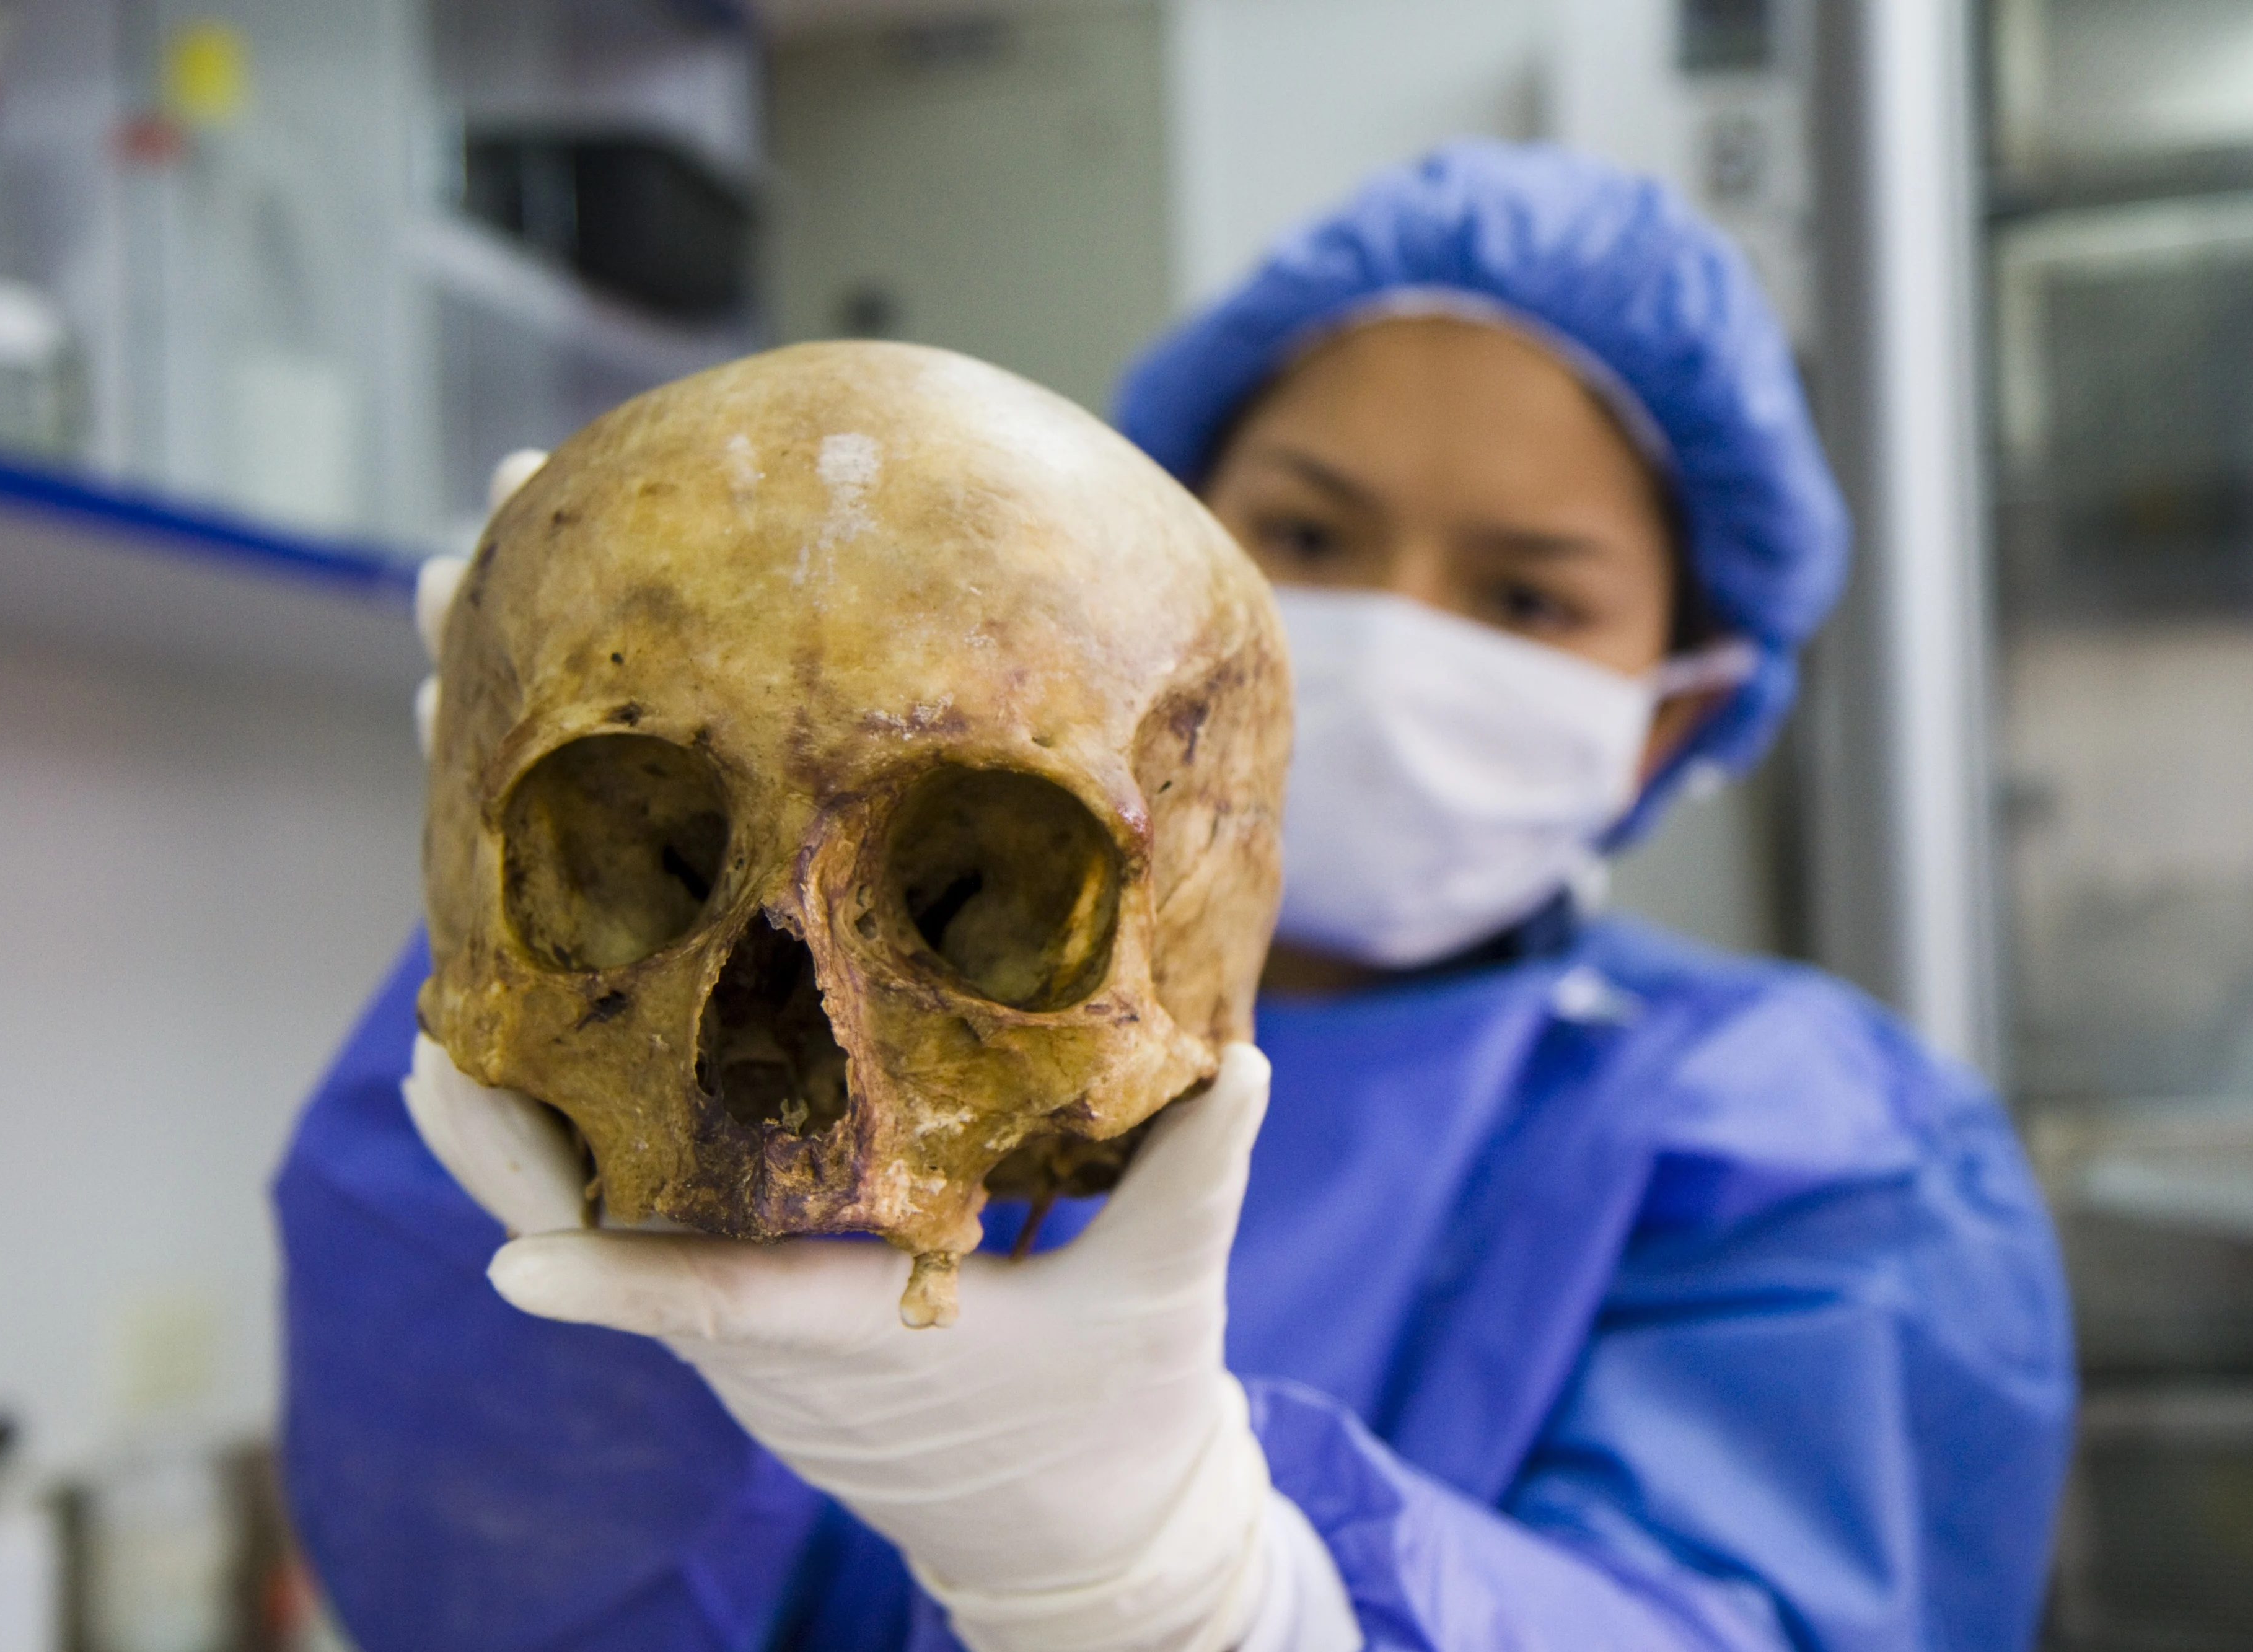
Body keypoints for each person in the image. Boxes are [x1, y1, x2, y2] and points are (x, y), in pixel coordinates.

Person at [276, 142, 2073, 1651]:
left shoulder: (1821, 1159)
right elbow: (484, 1558)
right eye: (1306, 537)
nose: (1395, 627)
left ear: (1675, 703)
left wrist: (1201, 1593)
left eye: (1528, 599)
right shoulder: (761, 980)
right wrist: (597, 884)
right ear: (1166, 569)